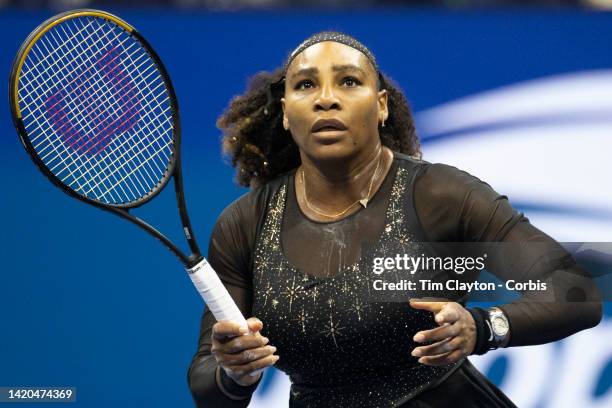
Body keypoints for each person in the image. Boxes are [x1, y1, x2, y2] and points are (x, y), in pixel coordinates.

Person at [187, 32, 602, 407]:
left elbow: (574, 292)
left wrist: (482, 326)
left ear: (381, 105)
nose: (326, 98)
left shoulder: (442, 196)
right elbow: (209, 385)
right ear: (284, 112)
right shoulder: (244, 224)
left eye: (348, 81)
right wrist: (235, 372)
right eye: (306, 84)